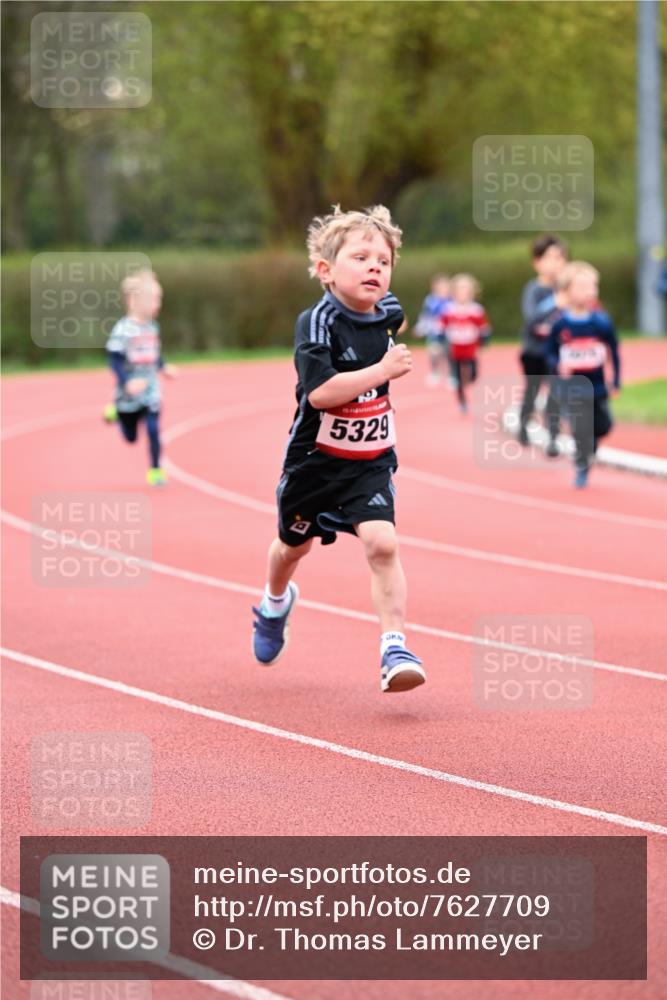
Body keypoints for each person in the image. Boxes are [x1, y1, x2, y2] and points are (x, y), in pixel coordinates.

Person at [251, 205, 426, 694]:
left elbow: (395, 320)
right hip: (314, 463)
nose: (375, 268)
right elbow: (321, 394)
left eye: (384, 261)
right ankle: (274, 604)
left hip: (369, 459)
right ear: (326, 271)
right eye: (361, 258)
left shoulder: (388, 309)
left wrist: (388, 341)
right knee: (293, 547)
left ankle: (394, 647)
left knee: (382, 543)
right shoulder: (316, 322)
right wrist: (382, 371)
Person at [546, 262, 621, 489]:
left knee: (603, 426)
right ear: (566, 292)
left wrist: (616, 380)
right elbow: (550, 353)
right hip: (573, 387)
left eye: (592, 286)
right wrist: (558, 366)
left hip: (597, 385)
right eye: (582, 287)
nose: (589, 292)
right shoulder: (560, 324)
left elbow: (614, 351)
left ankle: (589, 453)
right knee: (581, 428)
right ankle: (581, 465)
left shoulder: (601, 322)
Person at [105, 269, 177, 486]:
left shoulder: (152, 327)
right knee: (131, 438)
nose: (158, 304)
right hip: (128, 393)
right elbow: (114, 359)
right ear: (134, 301)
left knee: (154, 428)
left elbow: (154, 353)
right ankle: (118, 413)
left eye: (159, 299)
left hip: (151, 388)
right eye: (153, 299)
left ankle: (155, 470)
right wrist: (126, 383)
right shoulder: (123, 329)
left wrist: (164, 367)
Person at [518, 234, 569, 455]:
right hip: (534, 351)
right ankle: (523, 424)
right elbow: (531, 319)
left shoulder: (567, 290)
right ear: (537, 262)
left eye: (560, 257)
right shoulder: (533, 289)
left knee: (556, 392)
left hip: (556, 352)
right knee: (533, 390)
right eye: (550, 257)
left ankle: (553, 437)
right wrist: (554, 303)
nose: (556, 263)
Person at [439, 273, 491, 413]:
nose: (463, 293)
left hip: (470, 347)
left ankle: (468, 379)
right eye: (460, 289)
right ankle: (462, 400)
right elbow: (442, 326)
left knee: (473, 374)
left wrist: (484, 341)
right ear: (454, 292)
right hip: (454, 347)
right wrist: (441, 339)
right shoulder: (448, 309)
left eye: (466, 289)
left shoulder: (476, 310)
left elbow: (483, 328)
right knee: (457, 376)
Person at [413, 274, 452, 387]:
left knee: (448, 354)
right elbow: (425, 316)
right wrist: (419, 328)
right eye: (440, 286)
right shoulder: (430, 300)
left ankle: (451, 375)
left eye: (445, 286)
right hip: (434, 332)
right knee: (434, 352)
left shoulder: (452, 300)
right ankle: (435, 372)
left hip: (449, 332)